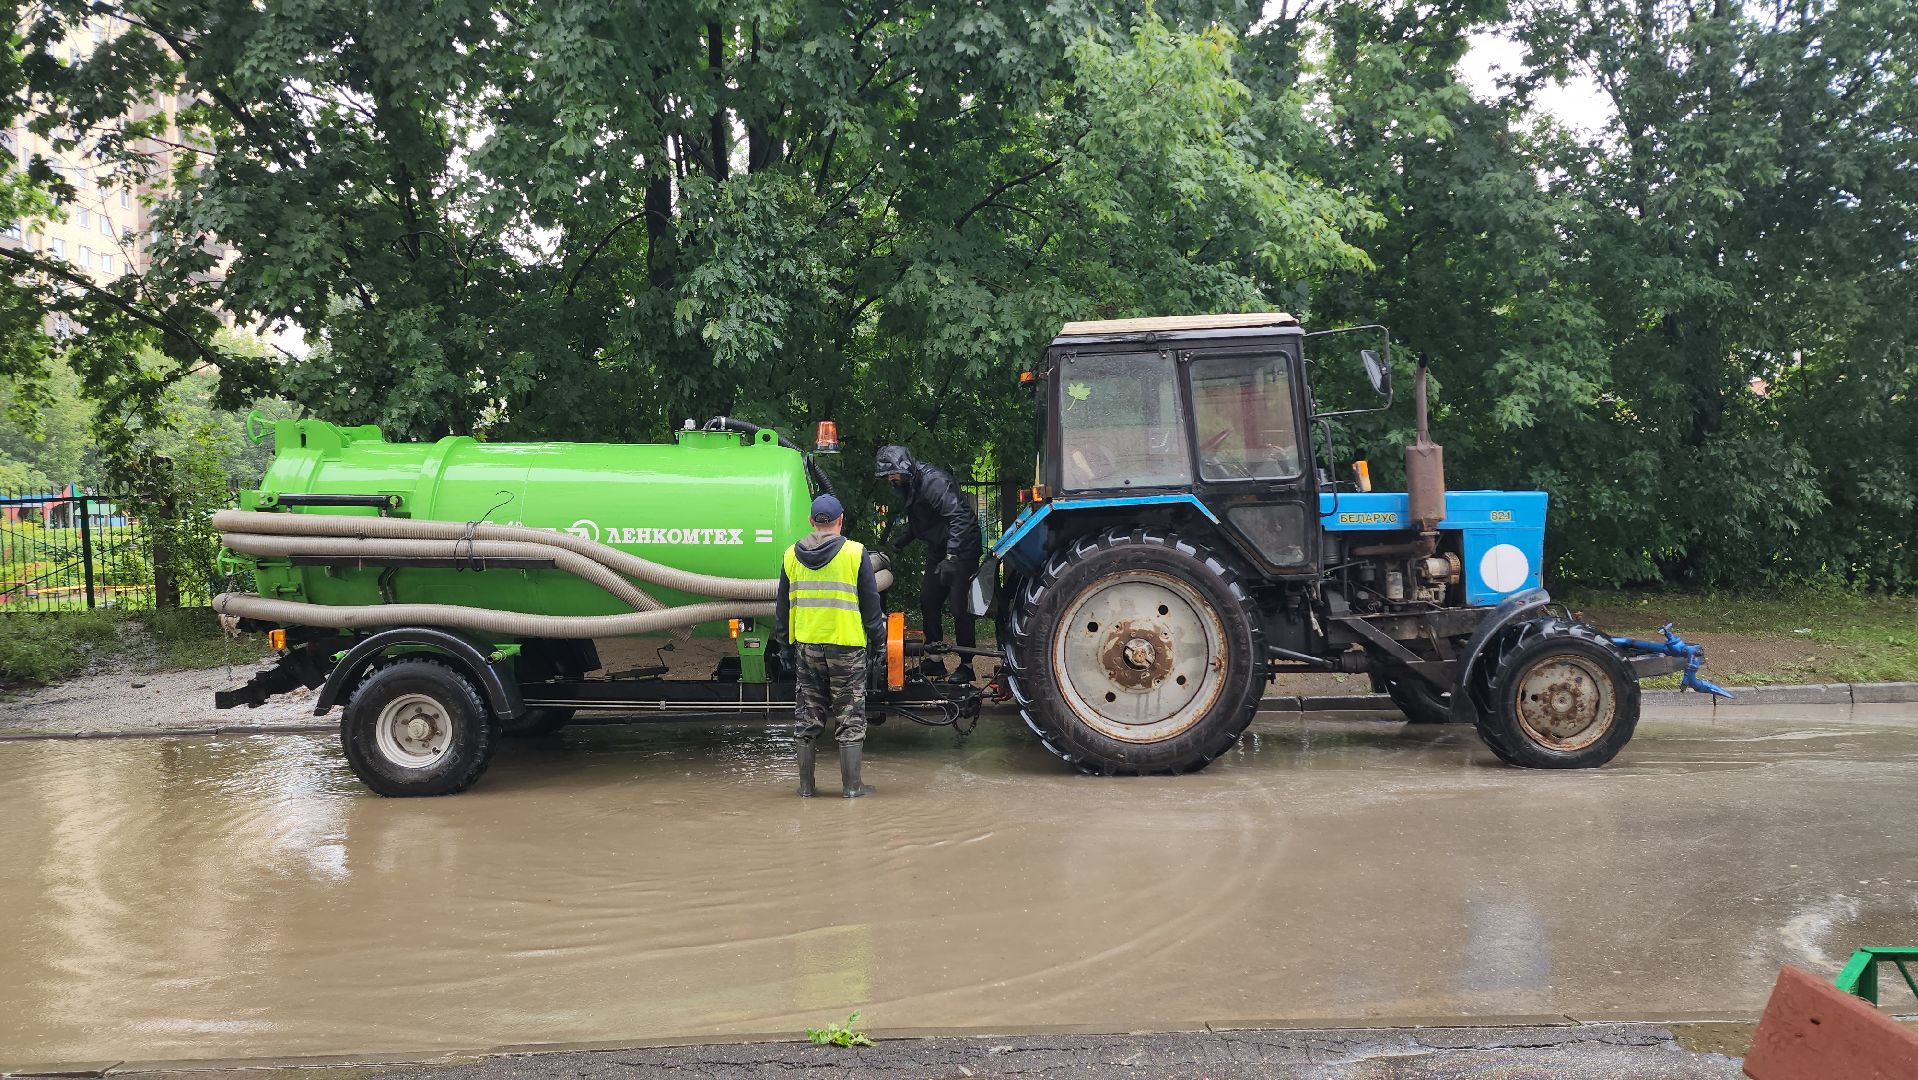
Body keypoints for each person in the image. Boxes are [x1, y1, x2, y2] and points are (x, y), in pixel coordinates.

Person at [775, 493, 886, 798]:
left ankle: (807, 789)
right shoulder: (855, 553)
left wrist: (784, 646)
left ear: (812, 522)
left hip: (807, 646)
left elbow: (782, 607)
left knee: (808, 716)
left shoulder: (790, 555)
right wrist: (879, 642)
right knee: (850, 716)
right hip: (846, 646)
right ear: (841, 521)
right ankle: (852, 788)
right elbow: (870, 603)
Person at [873, 445, 982, 683]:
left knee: (959, 607)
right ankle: (934, 662)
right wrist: (901, 541)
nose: (891, 479)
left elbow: (959, 518)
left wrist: (952, 556)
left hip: (962, 546)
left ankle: (966, 666)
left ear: (905, 468)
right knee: (929, 600)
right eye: (887, 475)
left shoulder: (934, 482)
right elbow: (923, 519)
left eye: (893, 474)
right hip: (939, 547)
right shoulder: (908, 483)